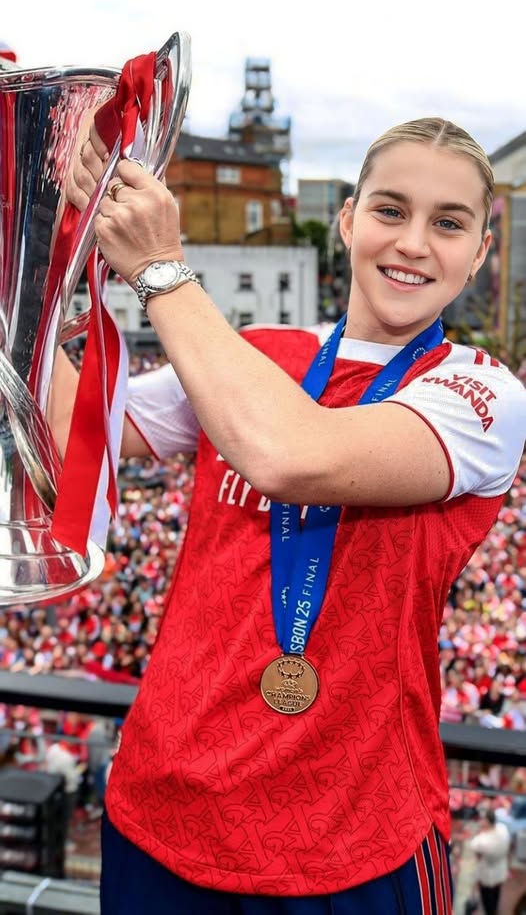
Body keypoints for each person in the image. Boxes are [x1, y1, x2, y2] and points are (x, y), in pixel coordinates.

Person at [58, 116, 526, 914]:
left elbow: (288, 453)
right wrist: (33, 255)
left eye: (449, 223)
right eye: (390, 209)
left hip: (349, 842)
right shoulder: (257, 351)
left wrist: (162, 270)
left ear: (480, 252)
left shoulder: (482, 391)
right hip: (161, 812)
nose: (414, 242)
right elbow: (78, 427)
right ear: (347, 219)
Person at [469, 808, 511, 914]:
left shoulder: (481, 841)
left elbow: (476, 852)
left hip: (487, 873)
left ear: (486, 821)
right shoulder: (503, 829)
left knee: (487, 897)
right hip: (500, 868)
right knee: (497, 891)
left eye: (482, 819)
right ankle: (495, 909)